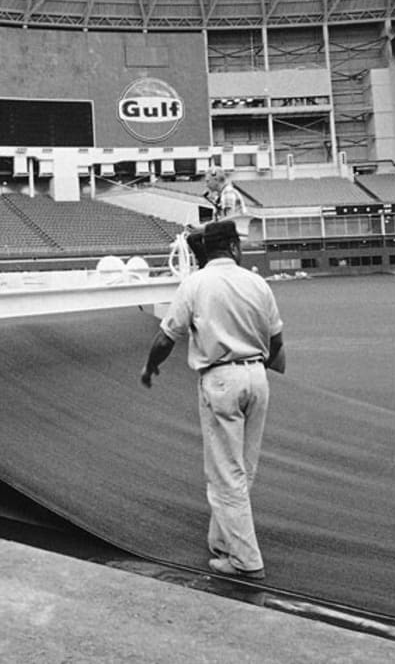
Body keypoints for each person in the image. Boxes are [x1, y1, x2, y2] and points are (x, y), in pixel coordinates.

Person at [140, 218, 286, 580]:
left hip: (221, 379)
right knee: (243, 469)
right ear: (234, 247)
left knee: (225, 474)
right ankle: (222, 541)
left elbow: (165, 337)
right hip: (257, 376)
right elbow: (277, 343)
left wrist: (149, 368)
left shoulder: (196, 283)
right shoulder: (257, 282)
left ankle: (246, 561)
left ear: (208, 249)